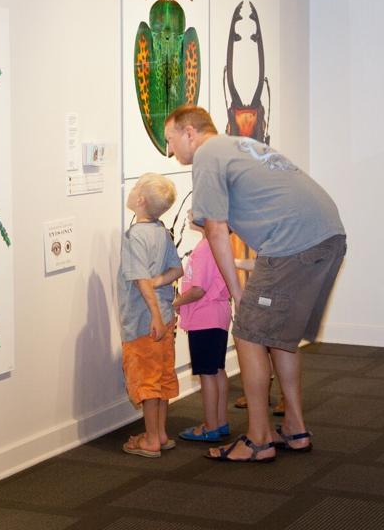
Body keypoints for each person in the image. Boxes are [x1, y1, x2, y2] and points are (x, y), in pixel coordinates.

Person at [164, 106, 346, 463]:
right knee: (278, 337)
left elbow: (215, 230)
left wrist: (237, 294)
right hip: (328, 234)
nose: (171, 151)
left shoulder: (206, 155)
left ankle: (259, 438)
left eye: (170, 140)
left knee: (247, 332)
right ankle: (294, 429)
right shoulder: (238, 146)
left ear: (189, 132)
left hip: (293, 242)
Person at [118, 173, 184, 458]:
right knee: (161, 377)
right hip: (165, 318)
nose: (130, 191)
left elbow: (141, 280)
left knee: (145, 380)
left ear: (140, 200)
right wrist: (160, 284)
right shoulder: (161, 231)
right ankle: (161, 433)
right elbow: (177, 270)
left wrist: (154, 315)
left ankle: (151, 440)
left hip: (145, 322)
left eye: (134, 188)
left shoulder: (134, 236)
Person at [173, 209, 232, 443]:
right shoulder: (218, 244)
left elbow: (198, 290)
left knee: (207, 373)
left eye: (195, 211)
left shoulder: (204, 249)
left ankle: (210, 426)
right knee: (216, 369)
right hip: (217, 315)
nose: (189, 214)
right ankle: (220, 421)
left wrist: (175, 302)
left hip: (204, 317)